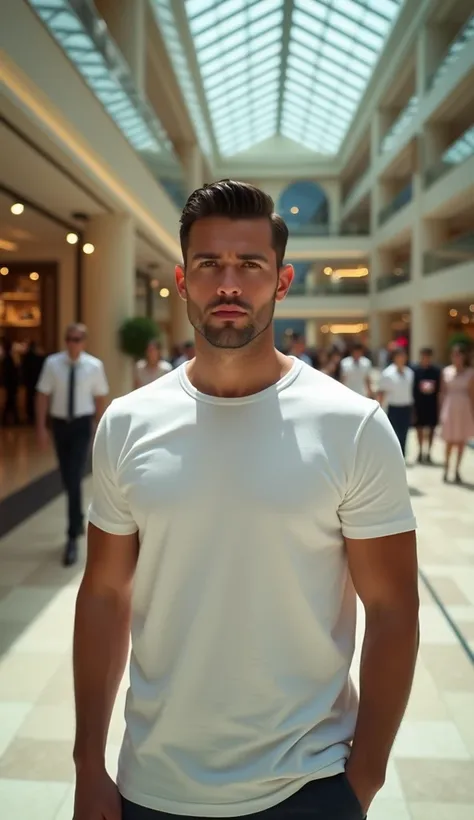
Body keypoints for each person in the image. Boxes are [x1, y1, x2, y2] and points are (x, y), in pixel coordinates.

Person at [73, 181, 419, 820]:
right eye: (209, 264)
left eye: (250, 266)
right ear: (182, 280)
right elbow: (103, 594)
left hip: (307, 784)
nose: (228, 283)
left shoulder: (353, 425)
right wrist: (87, 764)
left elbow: (394, 609)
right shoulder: (126, 423)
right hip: (151, 784)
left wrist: (362, 780)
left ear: (281, 281)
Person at [36, 323, 109, 566]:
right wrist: (40, 428)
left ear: (84, 341)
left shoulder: (94, 366)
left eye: (77, 339)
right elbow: (42, 395)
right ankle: (77, 519)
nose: (73, 343)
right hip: (60, 425)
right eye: (69, 338)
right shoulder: (53, 364)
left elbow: (100, 397)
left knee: (75, 476)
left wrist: (99, 427)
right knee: (68, 478)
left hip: (81, 425)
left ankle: (71, 538)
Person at [440, 343, 474, 483]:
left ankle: (457, 470)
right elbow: (442, 392)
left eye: (459, 355)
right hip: (450, 406)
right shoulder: (446, 371)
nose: (457, 358)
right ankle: (446, 468)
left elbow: (472, 394)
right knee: (449, 440)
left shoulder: (470, 373)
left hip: (464, 407)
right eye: (454, 355)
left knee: (461, 441)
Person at [377, 347, 414, 458]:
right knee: (393, 434)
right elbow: (381, 392)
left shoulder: (409, 372)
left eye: (403, 356)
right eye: (399, 356)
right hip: (393, 408)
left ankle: (402, 456)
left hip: (406, 407)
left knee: (404, 434)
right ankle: (392, 456)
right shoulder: (387, 373)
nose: (401, 359)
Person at [412, 347, 441, 464]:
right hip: (419, 403)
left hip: (432, 404)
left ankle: (428, 452)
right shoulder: (415, 371)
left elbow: (440, 389)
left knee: (431, 429)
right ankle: (420, 451)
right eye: (424, 356)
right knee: (419, 428)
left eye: (428, 357)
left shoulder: (436, 371)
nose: (426, 359)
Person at [22, 340, 45, 424]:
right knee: (35, 399)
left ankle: (30, 415)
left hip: (29, 382)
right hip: (36, 381)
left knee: (29, 399)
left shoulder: (26, 357)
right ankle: (35, 415)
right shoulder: (38, 357)